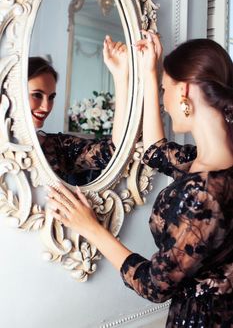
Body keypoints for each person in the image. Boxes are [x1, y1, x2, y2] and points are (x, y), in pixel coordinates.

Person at [46, 31, 233, 327]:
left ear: (183, 92)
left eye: (164, 91)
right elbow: (155, 152)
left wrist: (92, 229)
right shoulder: (210, 164)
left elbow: (154, 285)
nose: (166, 104)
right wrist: (148, 72)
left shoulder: (202, 192)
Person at [28, 35, 128, 184]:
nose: (46, 106)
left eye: (51, 97)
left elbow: (115, 150)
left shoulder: (58, 148)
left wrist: (120, 76)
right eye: (37, 95)